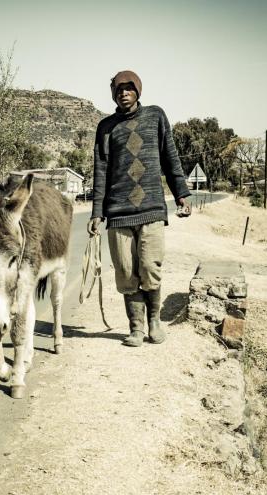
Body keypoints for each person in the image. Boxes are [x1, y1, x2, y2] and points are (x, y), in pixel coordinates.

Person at [87, 70, 191, 347]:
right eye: (119, 89)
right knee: (125, 273)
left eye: (129, 88)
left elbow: (171, 157)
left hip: (152, 209)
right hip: (118, 213)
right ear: (113, 94)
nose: (124, 93)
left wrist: (181, 194)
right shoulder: (106, 127)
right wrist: (97, 212)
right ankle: (135, 328)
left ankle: (154, 323)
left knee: (149, 267)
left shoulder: (156, 116)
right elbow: (100, 170)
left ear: (138, 91)